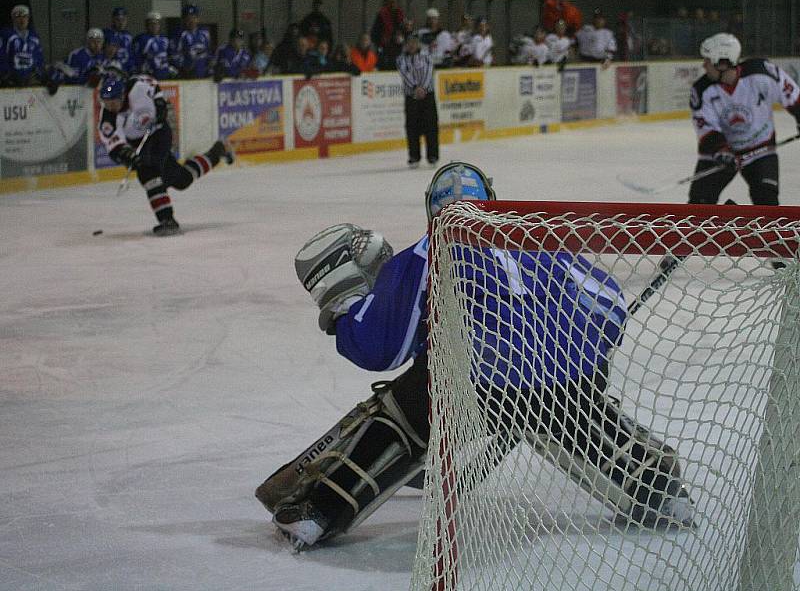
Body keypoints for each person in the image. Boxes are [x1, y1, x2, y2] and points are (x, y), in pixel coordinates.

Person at [254, 162, 696, 549]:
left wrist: (343, 311)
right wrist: (586, 366)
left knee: (403, 413)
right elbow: (612, 308)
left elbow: (380, 348)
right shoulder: (538, 239)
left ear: (432, 210)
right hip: (564, 381)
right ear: (492, 199)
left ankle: (320, 511)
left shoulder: (429, 251)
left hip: (475, 389)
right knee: (576, 411)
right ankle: (659, 491)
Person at [96, 73, 234, 236]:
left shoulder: (136, 87)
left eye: (113, 102)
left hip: (159, 133)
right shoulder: (107, 119)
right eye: (106, 102)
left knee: (148, 172)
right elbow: (114, 147)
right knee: (182, 180)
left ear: (123, 95)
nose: (110, 106)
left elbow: (153, 85)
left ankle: (167, 220)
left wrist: (160, 102)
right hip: (139, 144)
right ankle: (217, 151)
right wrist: (126, 154)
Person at [687, 33, 800, 210]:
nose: (704, 65)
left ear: (722, 62)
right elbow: (706, 130)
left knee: (767, 205)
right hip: (721, 155)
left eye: (707, 60)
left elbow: (793, 96)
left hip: (760, 149)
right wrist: (722, 151)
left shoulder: (763, 73)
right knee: (698, 206)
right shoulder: (701, 90)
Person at [397, 34, 438, 168]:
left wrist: (423, 88)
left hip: (428, 95)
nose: (412, 45)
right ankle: (414, 156)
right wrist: (415, 87)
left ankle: (432, 155)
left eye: (414, 43)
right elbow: (404, 74)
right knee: (412, 127)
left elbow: (429, 72)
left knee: (431, 126)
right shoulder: (401, 59)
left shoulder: (427, 56)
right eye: (409, 43)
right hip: (411, 96)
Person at [0, 4, 44, 87]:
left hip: (31, 79)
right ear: (13, 18)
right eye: (18, 16)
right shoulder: (5, 35)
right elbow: (1, 57)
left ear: (28, 18)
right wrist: (7, 76)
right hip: (10, 80)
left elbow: (39, 60)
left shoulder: (34, 37)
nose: (22, 19)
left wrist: (44, 77)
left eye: (25, 16)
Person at [171, 4, 211, 79]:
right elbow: (174, 55)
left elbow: (208, 51)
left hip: (203, 73)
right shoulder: (179, 34)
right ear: (183, 20)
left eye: (194, 18)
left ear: (198, 19)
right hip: (188, 75)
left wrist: (210, 66)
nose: (191, 21)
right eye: (188, 18)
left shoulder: (205, 33)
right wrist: (185, 67)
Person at [133, 12, 176, 80]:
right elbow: (136, 57)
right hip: (148, 76)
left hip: (165, 75)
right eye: (151, 24)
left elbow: (171, 55)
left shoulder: (165, 39)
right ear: (147, 25)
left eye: (156, 23)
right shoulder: (141, 39)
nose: (154, 26)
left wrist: (171, 67)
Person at [370, 0, 405, 70]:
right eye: (390, 2)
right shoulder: (381, 15)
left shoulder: (400, 15)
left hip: (398, 49)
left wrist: (402, 37)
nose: (393, 4)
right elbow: (374, 33)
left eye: (394, 2)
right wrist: (380, 42)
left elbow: (405, 31)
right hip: (385, 49)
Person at [103, 7, 134, 74]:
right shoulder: (106, 33)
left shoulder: (129, 36)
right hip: (111, 70)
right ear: (113, 20)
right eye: (118, 20)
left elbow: (131, 54)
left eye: (123, 20)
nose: (121, 23)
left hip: (126, 71)